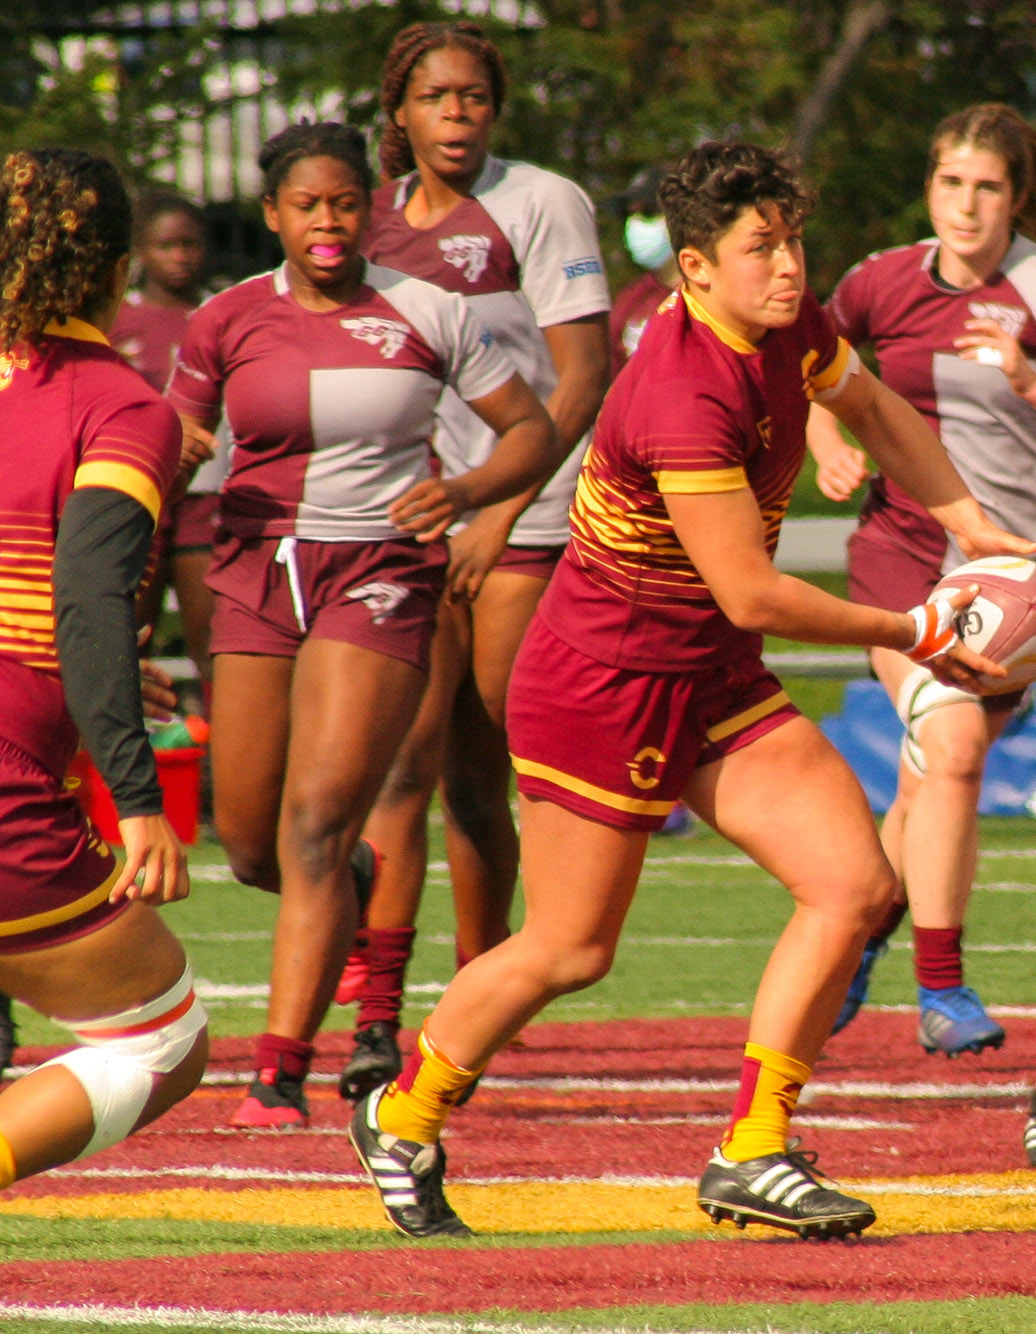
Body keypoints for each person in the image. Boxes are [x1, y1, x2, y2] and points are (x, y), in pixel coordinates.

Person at [347, 140, 1034, 1240]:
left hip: (709, 670)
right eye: (762, 248)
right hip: (603, 684)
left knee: (853, 885)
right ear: (696, 268)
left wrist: (966, 519)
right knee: (572, 948)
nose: (789, 266)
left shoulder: (787, 325)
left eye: (793, 240)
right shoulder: (681, 390)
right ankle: (403, 1113)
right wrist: (914, 629)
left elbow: (877, 410)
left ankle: (754, 1149)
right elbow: (752, 592)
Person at [167, 121, 560, 1128]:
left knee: (311, 825)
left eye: (346, 203)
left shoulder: (429, 310)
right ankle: (354, 880)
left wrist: (463, 491)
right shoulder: (222, 319)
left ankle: (279, 1072)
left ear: (369, 210)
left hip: (379, 573)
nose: (329, 222)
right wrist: (176, 450)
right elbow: (175, 436)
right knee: (249, 842)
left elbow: (534, 430)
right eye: (308, 205)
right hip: (257, 570)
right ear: (273, 215)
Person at [811, 103, 1036, 1057]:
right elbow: (805, 370)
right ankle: (943, 988)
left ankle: (858, 940)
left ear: (1016, 195)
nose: (966, 205)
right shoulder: (879, 280)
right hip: (903, 554)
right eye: (951, 183)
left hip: (1014, 582)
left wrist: (1031, 382)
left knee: (929, 778)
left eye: (988, 187)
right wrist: (827, 438)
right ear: (928, 186)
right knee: (954, 748)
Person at [348, 20, 613, 1102]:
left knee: (486, 768)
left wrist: (500, 510)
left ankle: (478, 990)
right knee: (402, 768)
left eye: (474, 96)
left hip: (524, 521)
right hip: (411, 524)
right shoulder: (363, 219)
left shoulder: (542, 202)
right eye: (435, 97)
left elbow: (583, 374)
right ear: (399, 112)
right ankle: (375, 1018)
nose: (457, 114)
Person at [0, 147, 209, 1188]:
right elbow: (85, 594)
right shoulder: (123, 406)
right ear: (120, 270)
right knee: (160, 1040)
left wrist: (99, 682)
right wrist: (137, 798)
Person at [113, 191, 228, 703]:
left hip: (207, 495)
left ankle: (219, 745)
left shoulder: (223, 310)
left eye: (190, 244)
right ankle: (119, 743)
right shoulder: (119, 317)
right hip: (138, 495)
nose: (180, 256)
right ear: (141, 249)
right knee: (125, 637)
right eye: (166, 245)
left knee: (216, 642)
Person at [609, 165, 680, 377]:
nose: (635, 223)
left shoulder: (718, 294)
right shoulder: (630, 300)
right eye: (628, 214)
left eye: (648, 212)